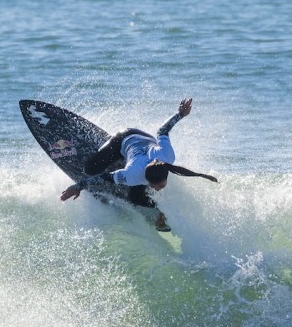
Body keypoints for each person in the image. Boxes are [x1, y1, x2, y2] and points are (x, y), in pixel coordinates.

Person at [60, 98, 194, 231]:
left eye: (161, 185)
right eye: (155, 186)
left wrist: (180, 114)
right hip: (123, 139)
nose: (158, 189)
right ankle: (116, 158)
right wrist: (78, 187)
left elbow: (162, 131)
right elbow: (104, 177)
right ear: (145, 178)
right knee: (89, 169)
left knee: (135, 198)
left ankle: (160, 212)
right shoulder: (132, 174)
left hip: (146, 140)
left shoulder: (166, 155)